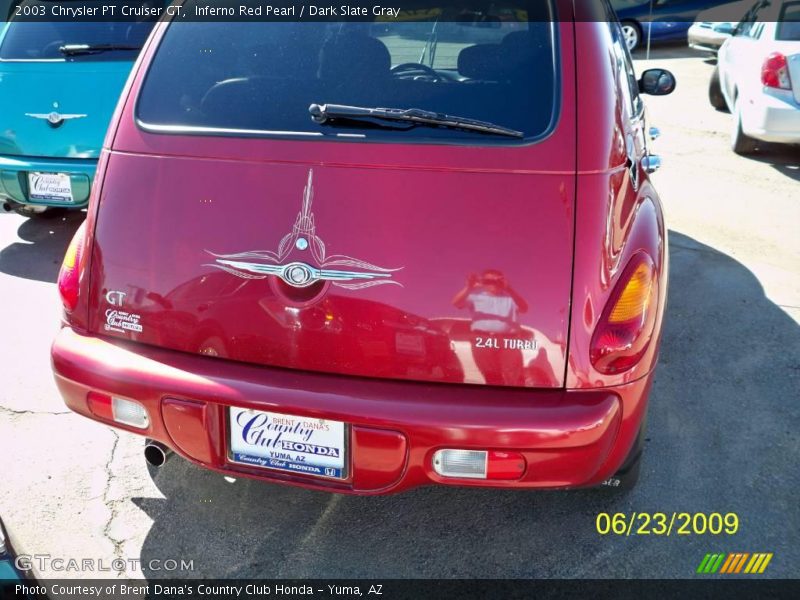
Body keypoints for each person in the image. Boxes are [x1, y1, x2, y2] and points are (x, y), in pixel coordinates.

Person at [452, 269, 529, 385]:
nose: (493, 284)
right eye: (488, 281)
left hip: (509, 340)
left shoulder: (511, 299)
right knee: (491, 376)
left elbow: (524, 308)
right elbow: (456, 303)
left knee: (514, 375)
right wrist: (469, 287)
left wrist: (509, 289)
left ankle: (515, 400)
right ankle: (497, 400)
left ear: (503, 282)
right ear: (483, 282)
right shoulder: (475, 296)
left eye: (497, 281)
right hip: (482, 338)